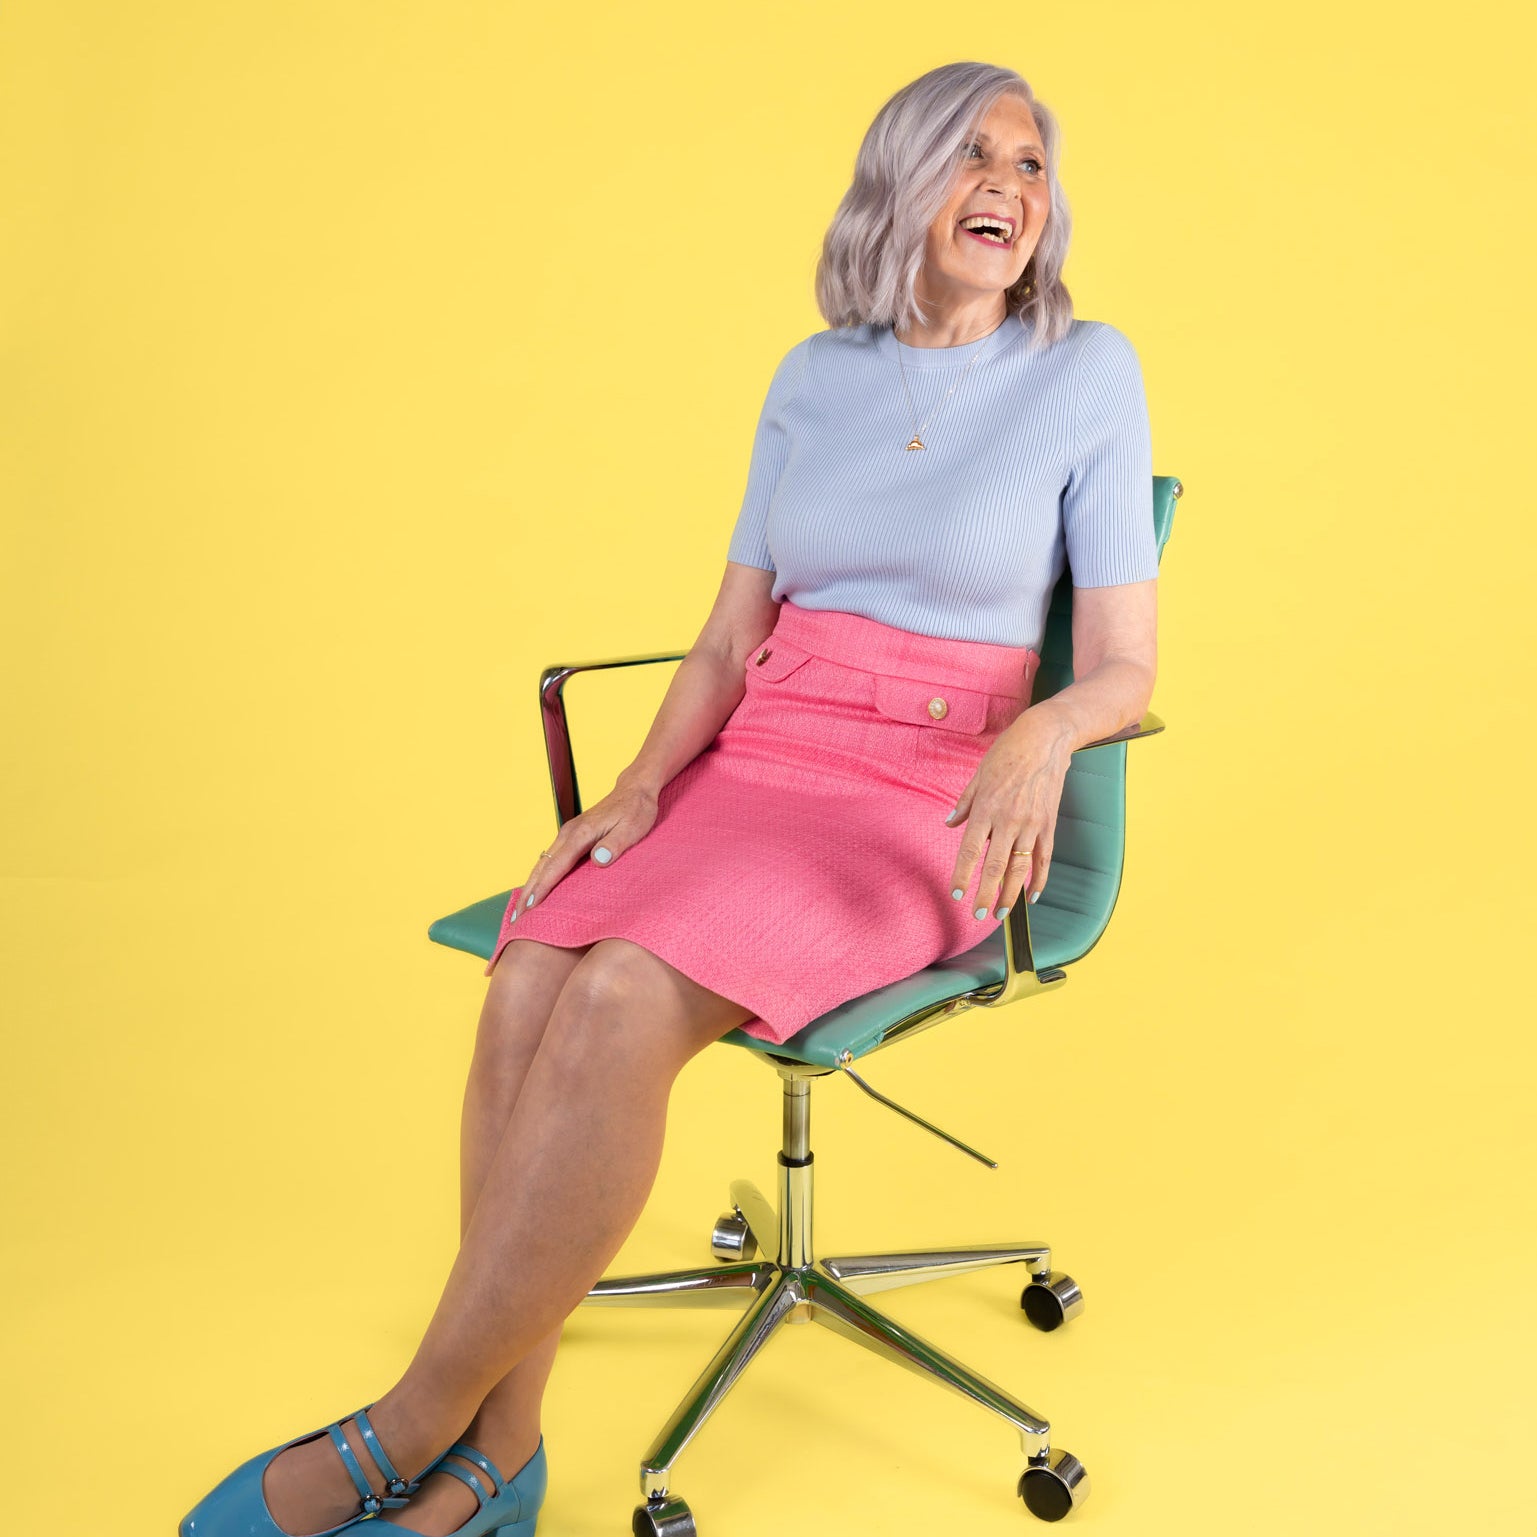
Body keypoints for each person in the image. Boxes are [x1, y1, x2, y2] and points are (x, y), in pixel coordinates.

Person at [180, 58, 1159, 1537]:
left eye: (1030, 166)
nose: (1009, 190)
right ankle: (505, 1454)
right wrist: (637, 789)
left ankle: (410, 1427)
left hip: (925, 795)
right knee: (529, 973)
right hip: (757, 753)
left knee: (625, 989)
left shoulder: (1084, 372)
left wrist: (1047, 731)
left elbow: (1126, 666)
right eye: (974, 157)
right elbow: (725, 637)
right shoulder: (815, 375)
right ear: (901, 182)